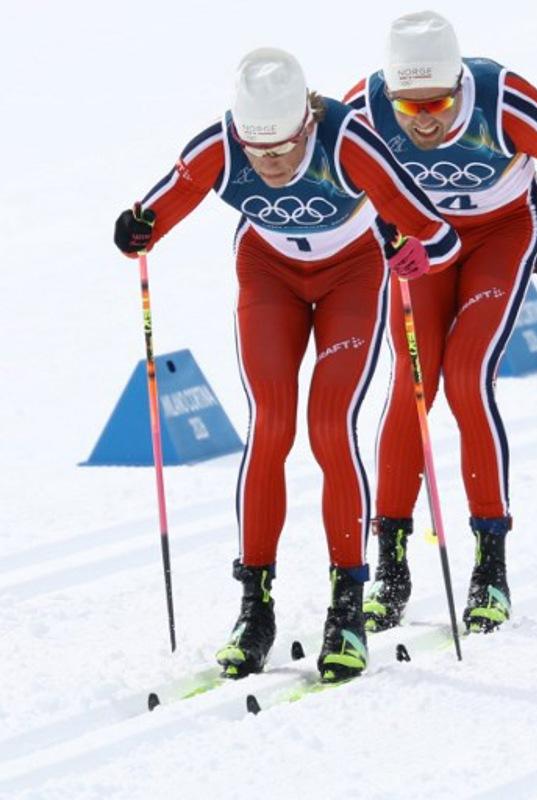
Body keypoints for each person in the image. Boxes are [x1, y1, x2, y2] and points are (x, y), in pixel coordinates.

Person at [112, 47, 460, 682]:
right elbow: (156, 208)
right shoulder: (219, 146)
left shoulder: (349, 140)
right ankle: (255, 606)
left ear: (306, 125)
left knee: (330, 429)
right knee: (271, 425)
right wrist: (136, 230)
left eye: (282, 150)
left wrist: (419, 253)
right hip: (268, 274)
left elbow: (437, 231)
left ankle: (348, 604)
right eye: (256, 151)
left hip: (352, 278)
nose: (269, 165)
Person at [344, 11, 537, 634]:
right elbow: (344, 181)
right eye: (409, 106)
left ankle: (491, 567)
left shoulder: (500, 97)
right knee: (411, 384)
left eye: (437, 102)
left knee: (464, 376)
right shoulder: (365, 107)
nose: (423, 118)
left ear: (458, 87)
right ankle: (392, 567)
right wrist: (383, 232)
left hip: (500, 236)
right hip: (424, 242)